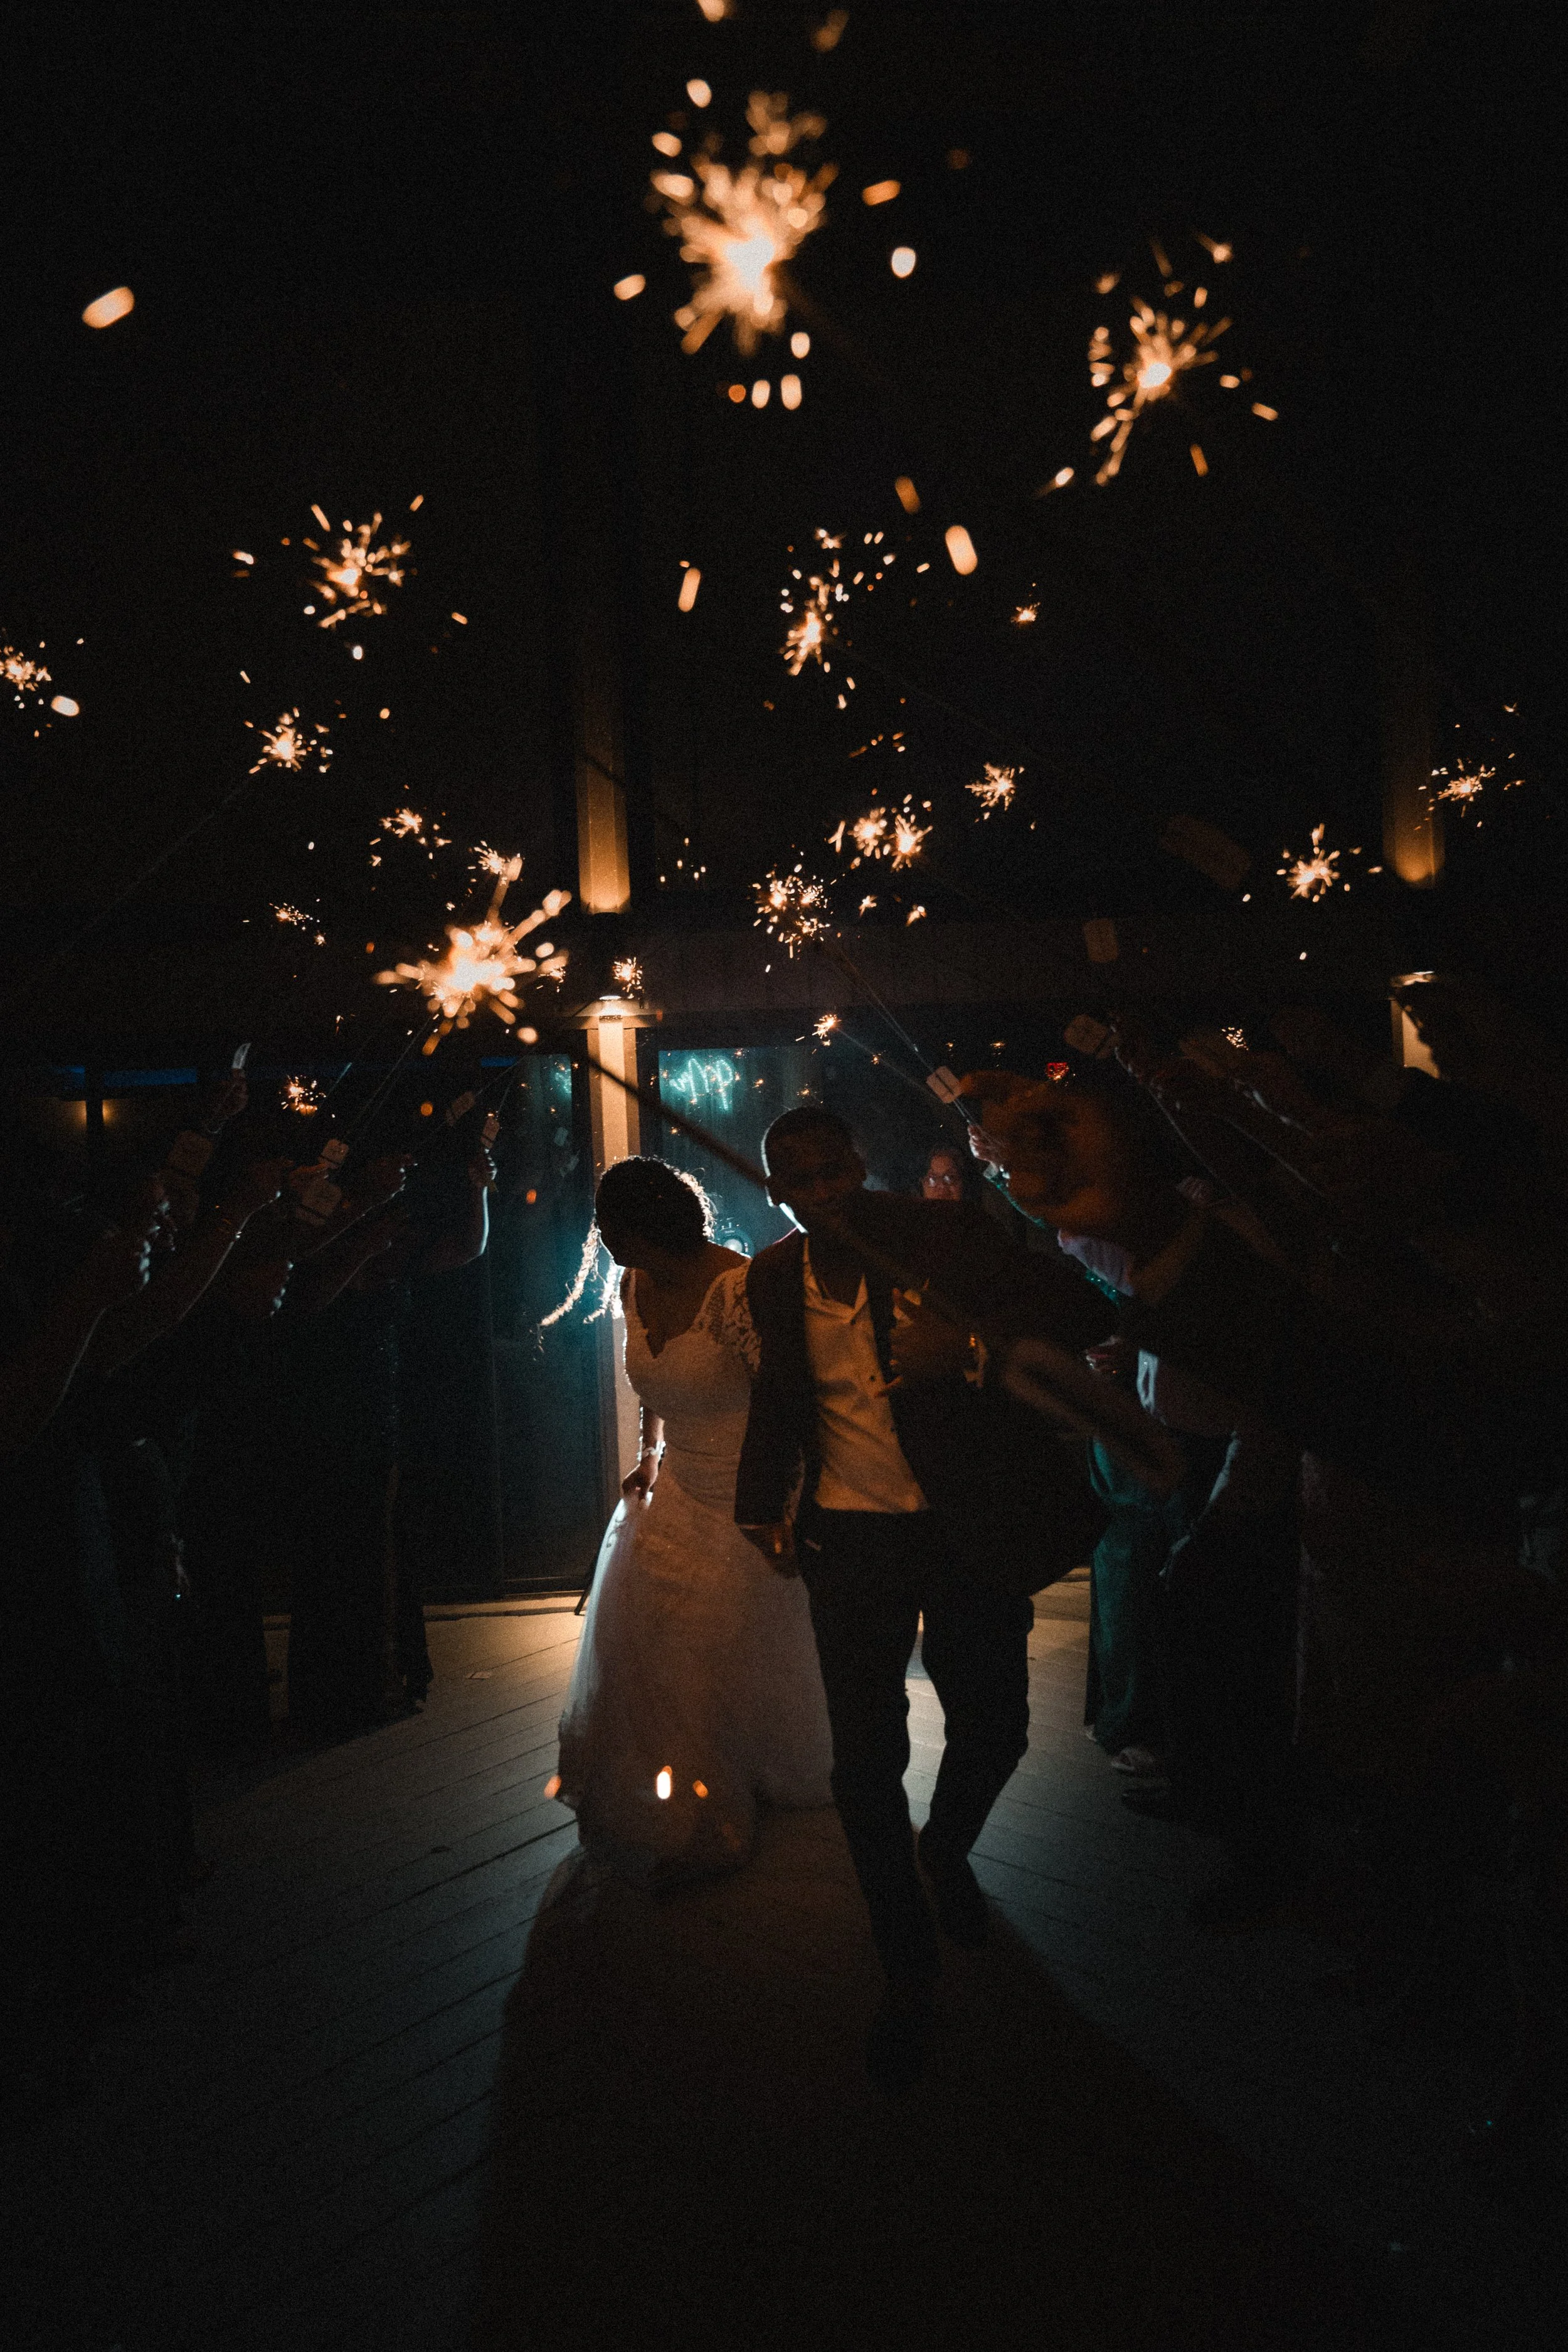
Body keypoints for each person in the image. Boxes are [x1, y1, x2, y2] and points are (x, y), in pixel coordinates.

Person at [735, 1106, 1106, 2092]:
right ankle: (907, 1967)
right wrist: (754, 1505)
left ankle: (945, 1845)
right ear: (775, 1189)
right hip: (848, 1535)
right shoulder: (771, 1276)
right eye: (799, 1178)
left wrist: (972, 1349)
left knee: (998, 1724)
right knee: (865, 1760)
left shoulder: (942, 1233)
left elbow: (1078, 1309)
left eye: (833, 1167)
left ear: (860, 1157)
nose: (821, 1190)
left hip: (962, 1523)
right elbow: (781, 1394)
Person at [556, 1156, 833, 1886]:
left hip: (750, 1492)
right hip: (677, 1488)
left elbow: (786, 1403)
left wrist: (783, 1506)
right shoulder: (634, 1280)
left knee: (714, 1649)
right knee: (665, 1652)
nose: (604, 1239)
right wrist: (648, 1456)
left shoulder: (740, 1288)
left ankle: (725, 1806)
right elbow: (656, 1380)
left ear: (651, 1227)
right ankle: (684, 1813)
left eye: (615, 1227)